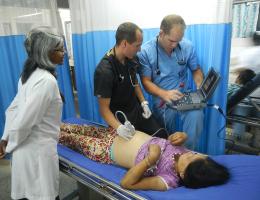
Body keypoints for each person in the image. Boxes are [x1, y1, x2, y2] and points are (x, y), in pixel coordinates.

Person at [59, 123, 230, 191]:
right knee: (78, 128)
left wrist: (150, 160)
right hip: (118, 133)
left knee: (70, 138)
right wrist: (183, 136)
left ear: (184, 175)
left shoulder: (168, 180)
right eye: (194, 154)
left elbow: (127, 183)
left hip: (105, 150)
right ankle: (58, 125)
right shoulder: (195, 159)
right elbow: (206, 160)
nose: (190, 154)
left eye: (189, 159)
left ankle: (42, 131)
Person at [0, 26, 65, 200]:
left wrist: (6, 137)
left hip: (25, 152)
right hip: (38, 155)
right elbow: (24, 122)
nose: (64, 52)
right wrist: (9, 144)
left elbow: (14, 108)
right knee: (42, 195)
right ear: (46, 52)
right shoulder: (46, 81)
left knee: (28, 195)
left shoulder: (28, 76)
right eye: (60, 49)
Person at [137, 14, 204, 150]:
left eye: (178, 41)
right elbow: (146, 82)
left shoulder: (187, 46)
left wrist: (199, 85)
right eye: (171, 41)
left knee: (197, 115)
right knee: (166, 136)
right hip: (162, 101)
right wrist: (164, 93)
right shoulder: (145, 52)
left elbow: (196, 70)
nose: (174, 45)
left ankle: (187, 153)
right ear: (161, 33)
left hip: (183, 96)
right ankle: (169, 156)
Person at [94, 22, 168, 139]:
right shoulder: (105, 71)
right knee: (138, 148)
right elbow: (103, 109)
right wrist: (119, 128)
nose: (139, 50)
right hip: (121, 118)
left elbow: (134, 81)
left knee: (161, 135)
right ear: (124, 43)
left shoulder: (131, 58)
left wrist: (144, 103)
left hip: (137, 110)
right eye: (137, 45)